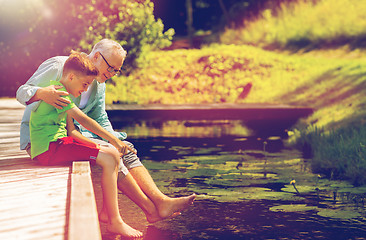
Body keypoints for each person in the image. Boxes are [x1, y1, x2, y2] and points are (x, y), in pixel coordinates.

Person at [16, 39, 196, 223]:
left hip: (70, 134)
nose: (111, 74)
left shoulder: (99, 83)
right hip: (42, 140)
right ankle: (149, 209)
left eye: (116, 71)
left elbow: (99, 117)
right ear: (96, 56)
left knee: (124, 148)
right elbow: (22, 91)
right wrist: (42, 93)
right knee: (111, 154)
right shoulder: (61, 66)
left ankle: (160, 201)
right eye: (110, 68)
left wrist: (116, 140)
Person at [29, 52, 143, 238]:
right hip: (49, 149)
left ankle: (108, 213)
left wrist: (100, 145)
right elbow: (85, 120)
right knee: (108, 158)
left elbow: (72, 131)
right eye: (84, 85)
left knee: (111, 153)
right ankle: (115, 221)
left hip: (58, 144)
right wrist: (113, 139)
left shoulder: (65, 93)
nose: (85, 89)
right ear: (71, 77)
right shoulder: (59, 92)